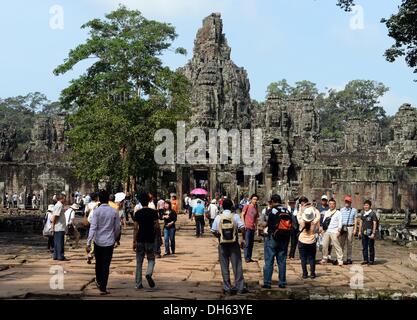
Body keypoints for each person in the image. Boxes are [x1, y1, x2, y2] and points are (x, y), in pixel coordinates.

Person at [211, 198, 248, 295]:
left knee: (224, 267)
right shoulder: (235, 216)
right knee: (237, 266)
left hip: (222, 244)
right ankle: (239, 287)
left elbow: (213, 230)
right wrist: (242, 238)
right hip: (234, 244)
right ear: (231, 206)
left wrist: (219, 236)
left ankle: (227, 288)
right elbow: (243, 227)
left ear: (222, 206)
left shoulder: (219, 217)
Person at [86, 190, 120, 295]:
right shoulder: (114, 211)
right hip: (109, 241)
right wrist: (115, 238)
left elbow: (93, 227)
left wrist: (88, 242)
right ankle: (103, 287)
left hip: (98, 241)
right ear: (109, 200)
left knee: (99, 263)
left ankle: (99, 281)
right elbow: (117, 228)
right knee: (106, 264)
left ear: (99, 199)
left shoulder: (96, 211)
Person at [262, 194, 292, 289]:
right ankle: (282, 282)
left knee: (269, 260)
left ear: (273, 201)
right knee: (282, 261)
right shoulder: (287, 210)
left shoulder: (272, 211)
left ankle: (267, 282)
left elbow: (266, 223)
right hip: (285, 238)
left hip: (273, 238)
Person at [133, 192, 159, 289]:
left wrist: (134, 241)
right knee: (151, 259)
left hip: (140, 239)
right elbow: (157, 226)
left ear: (140, 201)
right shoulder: (153, 212)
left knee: (139, 261)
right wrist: (159, 238)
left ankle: (138, 283)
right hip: (150, 239)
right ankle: (148, 273)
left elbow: (135, 228)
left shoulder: (137, 213)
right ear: (149, 201)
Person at [297, 203, 320, 279]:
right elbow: (318, 215)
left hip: (302, 240)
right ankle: (312, 273)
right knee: (312, 258)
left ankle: (304, 274)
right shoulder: (313, 222)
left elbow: (298, 214)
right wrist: (313, 208)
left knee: (303, 258)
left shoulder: (301, 222)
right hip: (311, 241)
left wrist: (302, 207)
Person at [320, 198, 344, 266]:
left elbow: (340, 222)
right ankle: (325, 258)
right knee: (325, 245)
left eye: (333, 204)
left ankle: (340, 259)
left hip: (334, 231)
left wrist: (339, 230)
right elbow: (324, 221)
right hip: (327, 231)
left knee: (337, 246)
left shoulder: (338, 213)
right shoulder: (327, 212)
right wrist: (322, 229)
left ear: (335, 205)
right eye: (330, 204)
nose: (331, 205)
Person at [355, 200, 378, 265]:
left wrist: (373, 232)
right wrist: (359, 231)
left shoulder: (372, 213)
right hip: (364, 232)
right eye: (365, 205)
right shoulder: (363, 213)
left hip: (370, 232)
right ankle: (365, 259)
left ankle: (371, 260)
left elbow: (374, 223)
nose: (366, 206)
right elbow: (361, 222)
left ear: (370, 206)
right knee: (364, 246)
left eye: (367, 205)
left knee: (371, 246)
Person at [339, 195, 358, 265]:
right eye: (346, 201)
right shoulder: (341, 210)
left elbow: (355, 220)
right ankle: (340, 258)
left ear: (350, 202)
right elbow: (340, 219)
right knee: (341, 243)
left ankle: (349, 258)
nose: (347, 203)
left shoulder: (354, 210)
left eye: (348, 201)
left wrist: (355, 228)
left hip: (350, 227)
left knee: (349, 243)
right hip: (343, 227)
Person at [242, 194, 259, 263]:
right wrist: (243, 224)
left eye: (256, 199)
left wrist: (256, 228)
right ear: (251, 200)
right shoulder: (247, 206)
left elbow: (256, 219)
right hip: (247, 226)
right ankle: (246, 257)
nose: (255, 201)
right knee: (247, 243)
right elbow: (242, 214)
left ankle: (249, 257)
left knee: (251, 244)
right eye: (254, 199)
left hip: (252, 227)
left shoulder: (256, 208)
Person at [51, 193, 68, 261]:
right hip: (59, 226)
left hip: (59, 226)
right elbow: (55, 216)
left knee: (57, 242)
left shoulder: (59, 205)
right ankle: (60, 256)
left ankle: (56, 255)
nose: (65, 199)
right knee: (60, 242)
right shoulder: (59, 206)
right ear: (61, 199)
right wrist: (53, 225)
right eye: (64, 198)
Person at [85, 192, 100, 264]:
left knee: (89, 237)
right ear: (96, 197)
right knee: (95, 239)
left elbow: (86, 213)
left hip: (89, 222)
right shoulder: (98, 204)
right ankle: (91, 253)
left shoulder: (88, 205)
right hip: (96, 223)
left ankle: (89, 253)